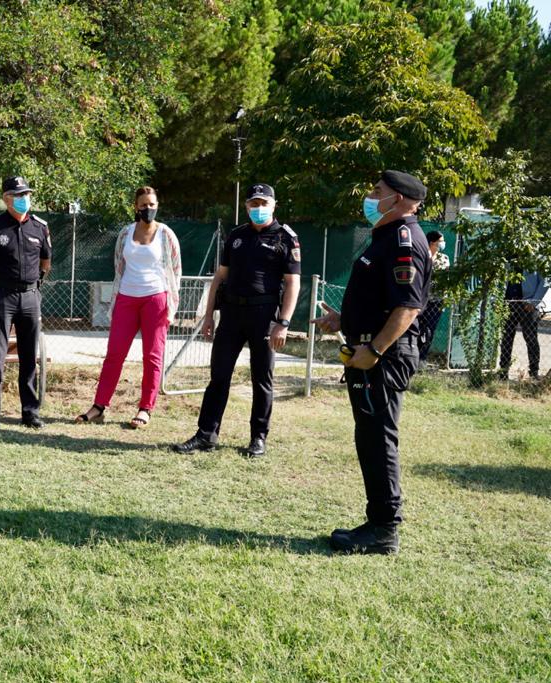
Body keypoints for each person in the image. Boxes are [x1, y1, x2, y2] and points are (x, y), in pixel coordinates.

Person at [311, 169, 433, 555]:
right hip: (367, 351)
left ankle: (384, 528)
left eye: (376, 191)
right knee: (369, 435)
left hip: (383, 356)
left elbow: (407, 308)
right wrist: (343, 321)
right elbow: (379, 301)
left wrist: (376, 350)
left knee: (378, 437)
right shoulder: (384, 238)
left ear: (397, 198)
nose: (370, 196)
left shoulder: (403, 241)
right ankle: (378, 520)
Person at [174, 183, 300, 457]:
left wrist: (284, 322)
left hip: (264, 316)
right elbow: (220, 278)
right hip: (231, 315)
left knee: (261, 379)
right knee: (218, 377)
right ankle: (206, 435)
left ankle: (258, 438)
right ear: (246, 206)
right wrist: (208, 315)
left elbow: (292, 284)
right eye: (253, 204)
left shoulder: (286, 237)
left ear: (273, 205)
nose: (258, 209)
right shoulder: (236, 236)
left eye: (263, 203)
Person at [75, 186, 182, 429]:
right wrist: (117, 299)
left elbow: (176, 270)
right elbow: (118, 267)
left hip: (156, 299)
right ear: (136, 207)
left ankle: (146, 408)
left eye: (152, 204)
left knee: (152, 356)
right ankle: (99, 406)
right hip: (126, 298)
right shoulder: (125, 234)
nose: (148, 209)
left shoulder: (166, 234)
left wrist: (171, 305)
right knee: (114, 354)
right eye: (144, 205)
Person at [0, 176, 51, 432]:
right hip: (2, 297)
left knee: (30, 357)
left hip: (30, 297)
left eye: (26, 194)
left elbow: (45, 264)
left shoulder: (40, 227)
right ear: (6, 199)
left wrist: (34, 286)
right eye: (18, 195)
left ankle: (30, 412)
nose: (23, 199)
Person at [499, 270, 549, 379]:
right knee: (506, 338)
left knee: (531, 338)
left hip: (528, 304)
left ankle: (534, 373)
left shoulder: (536, 256)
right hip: (509, 303)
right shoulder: (508, 256)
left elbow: (546, 281)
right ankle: (503, 372)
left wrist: (533, 302)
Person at [417, 230, 449, 361]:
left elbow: (447, 279)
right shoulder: (422, 257)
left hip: (437, 301)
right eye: (440, 241)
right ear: (432, 243)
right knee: (417, 329)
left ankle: (422, 358)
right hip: (421, 300)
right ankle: (413, 356)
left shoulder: (444, 259)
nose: (442, 244)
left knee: (429, 331)